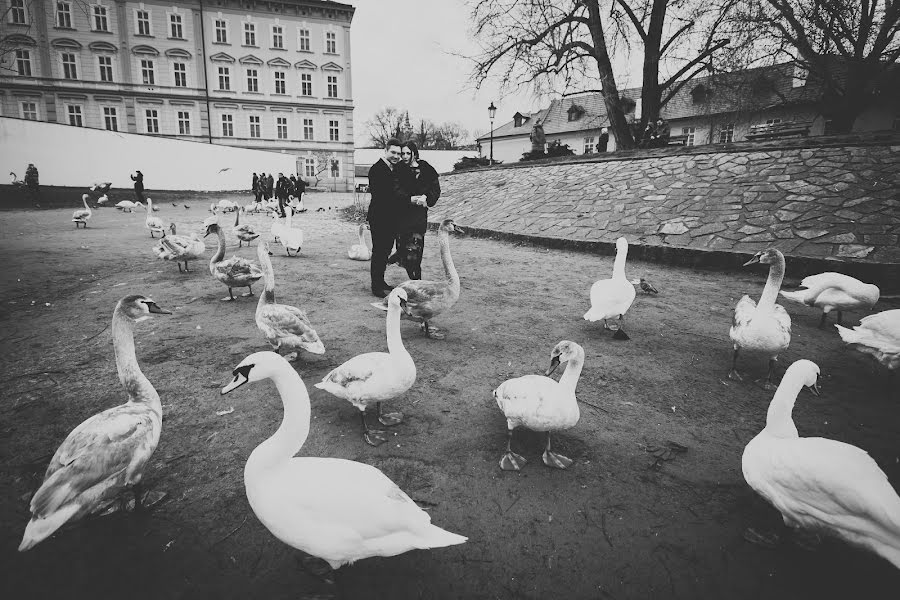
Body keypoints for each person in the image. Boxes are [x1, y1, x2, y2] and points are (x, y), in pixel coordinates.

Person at [388, 141, 440, 281]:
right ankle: (400, 257)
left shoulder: (426, 169)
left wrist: (427, 198)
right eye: (403, 153)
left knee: (415, 254)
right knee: (405, 252)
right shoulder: (398, 170)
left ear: (414, 153)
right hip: (402, 218)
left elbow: (435, 189)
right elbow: (394, 191)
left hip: (418, 219)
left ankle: (417, 283)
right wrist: (408, 199)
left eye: (407, 153)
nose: (404, 156)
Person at [367, 138, 412, 298]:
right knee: (379, 251)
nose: (396, 156)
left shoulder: (394, 169)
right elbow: (385, 196)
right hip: (380, 218)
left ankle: (380, 281)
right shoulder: (377, 169)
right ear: (385, 151)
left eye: (399, 153)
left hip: (389, 218)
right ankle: (376, 285)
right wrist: (408, 199)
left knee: (385, 251)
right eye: (393, 152)